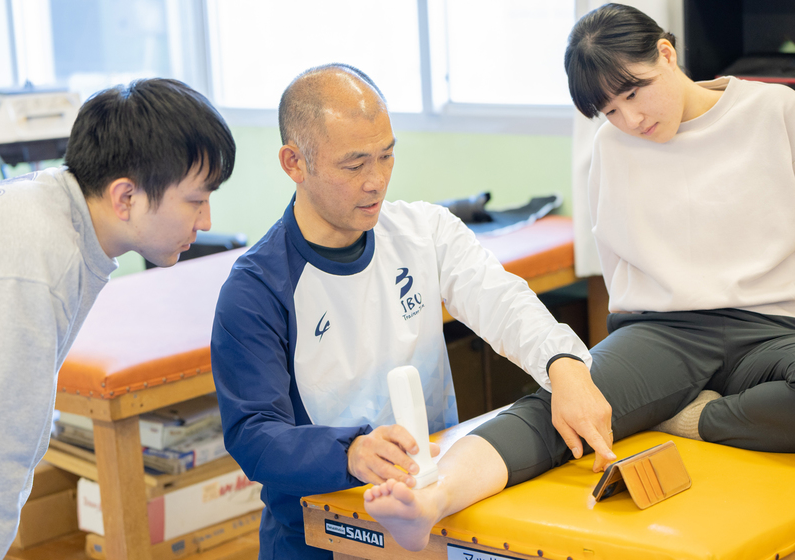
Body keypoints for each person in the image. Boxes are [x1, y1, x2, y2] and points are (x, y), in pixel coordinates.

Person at [363, 3, 795, 551]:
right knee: (561, 407)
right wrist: (611, 367)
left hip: (774, 326)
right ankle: (432, 497)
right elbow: (619, 259)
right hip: (665, 333)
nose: (630, 120)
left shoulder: (776, 112)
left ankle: (687, 417)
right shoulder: (612, 146)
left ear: (666, 54)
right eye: (609, 110)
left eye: (634, 92)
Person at [210, 63, 612, 559]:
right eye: (354, 165)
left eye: (387, 155)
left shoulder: (425, 232)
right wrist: (352, 452)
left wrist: (563, 364)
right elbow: (254, 435)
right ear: (294, 163)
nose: (376, 181)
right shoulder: (255, 289)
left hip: (431, 511)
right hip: (318, 531)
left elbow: (503, 301)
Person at [0, 78, 236, 560]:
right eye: (195, 200)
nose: (206, 220)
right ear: (125, 197)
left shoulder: (49, 210)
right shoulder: (35, 264)